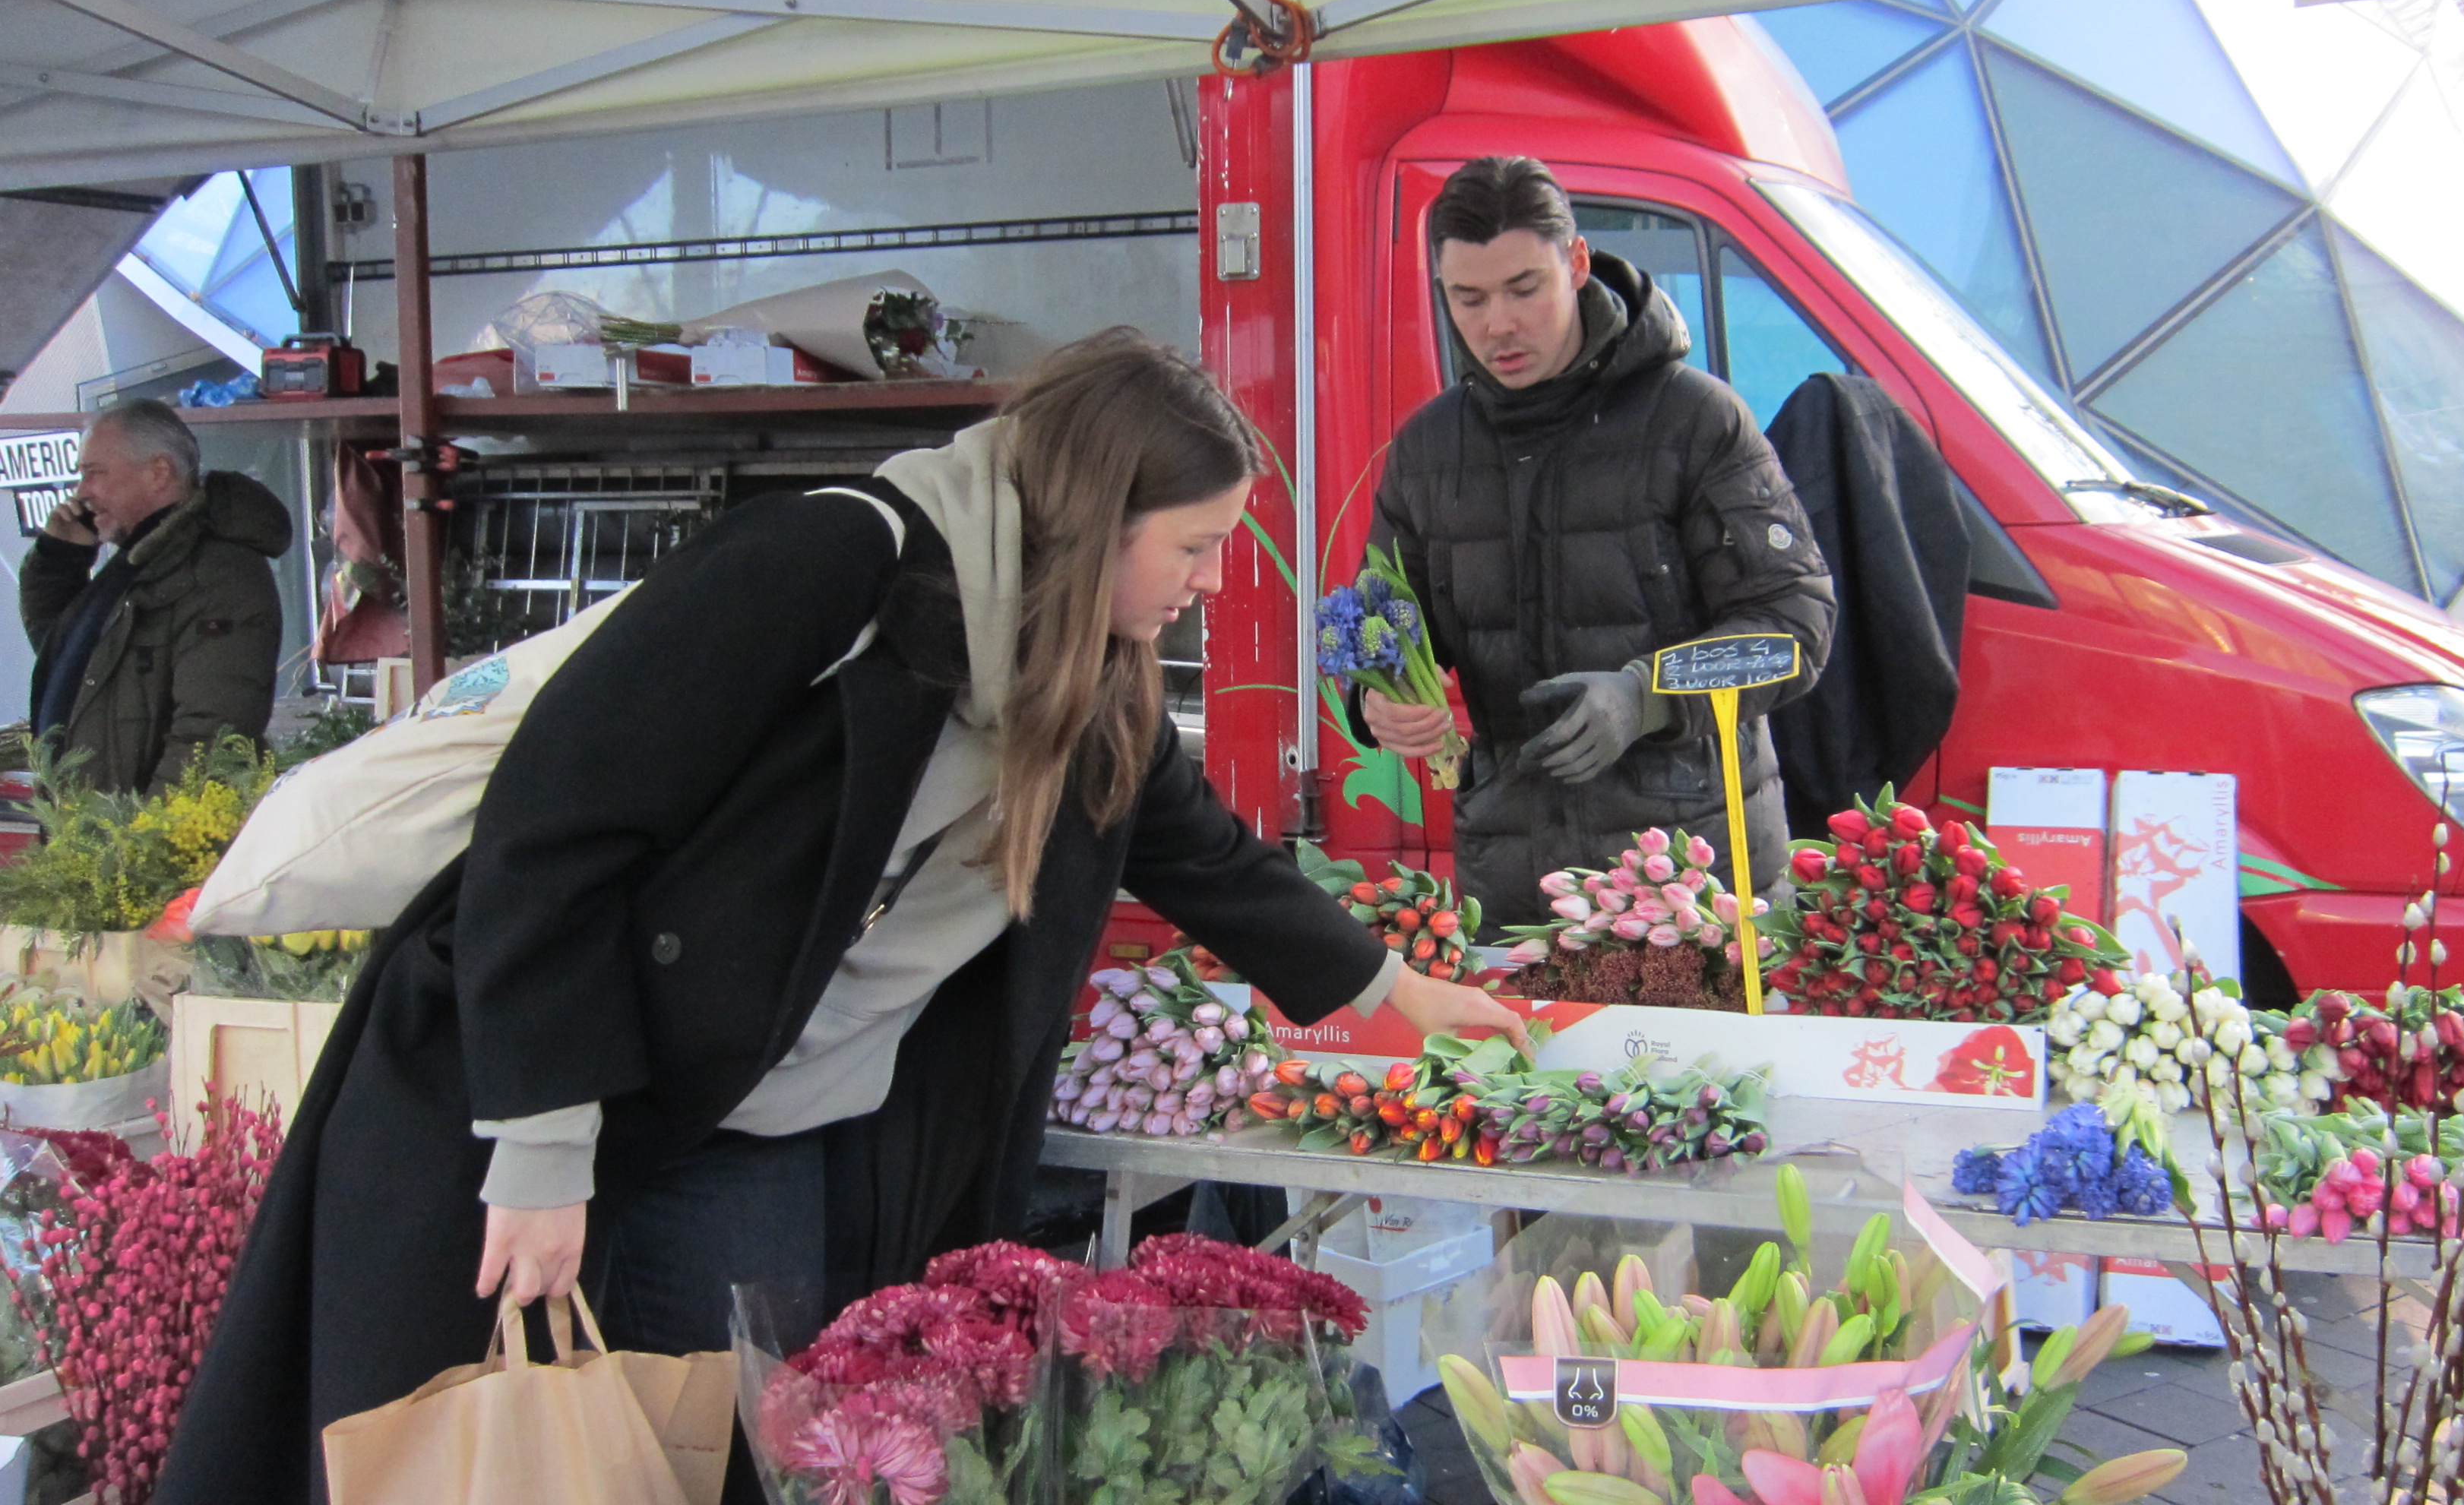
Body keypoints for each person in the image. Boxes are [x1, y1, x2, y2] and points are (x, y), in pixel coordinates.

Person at [155, 330, 1526, 1504]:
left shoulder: (1081, 668)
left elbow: (1200, 853)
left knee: (775, 1437)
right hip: (614, 1094)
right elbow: (555, 821)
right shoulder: (831, 565)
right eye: (1195, 546)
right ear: (1098, 513)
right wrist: (541, 1145)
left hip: (797, 1119)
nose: (1211, 584)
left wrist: (1388, 993)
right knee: (673, 1443)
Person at [1362, 157, 1837, 929]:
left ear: (1577, 264)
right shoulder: (1425, 449)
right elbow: (1381, 625)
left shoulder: (1696, 420)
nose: (1497, 324)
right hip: (1515, 882)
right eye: (1467, 298)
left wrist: (1648, 696)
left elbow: (1795, 629)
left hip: (1698, 881)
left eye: (1525, 288)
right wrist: (1381, 696)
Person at [21, 398, 289, 791]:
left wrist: (150, 843)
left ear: (158, 472)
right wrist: (60, 559)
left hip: (139, 839)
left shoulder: (215, 572)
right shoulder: (139, 562)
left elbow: (212, 735)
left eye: (95, 473)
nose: (82, 492)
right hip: (95, 833)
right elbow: (67, 662)